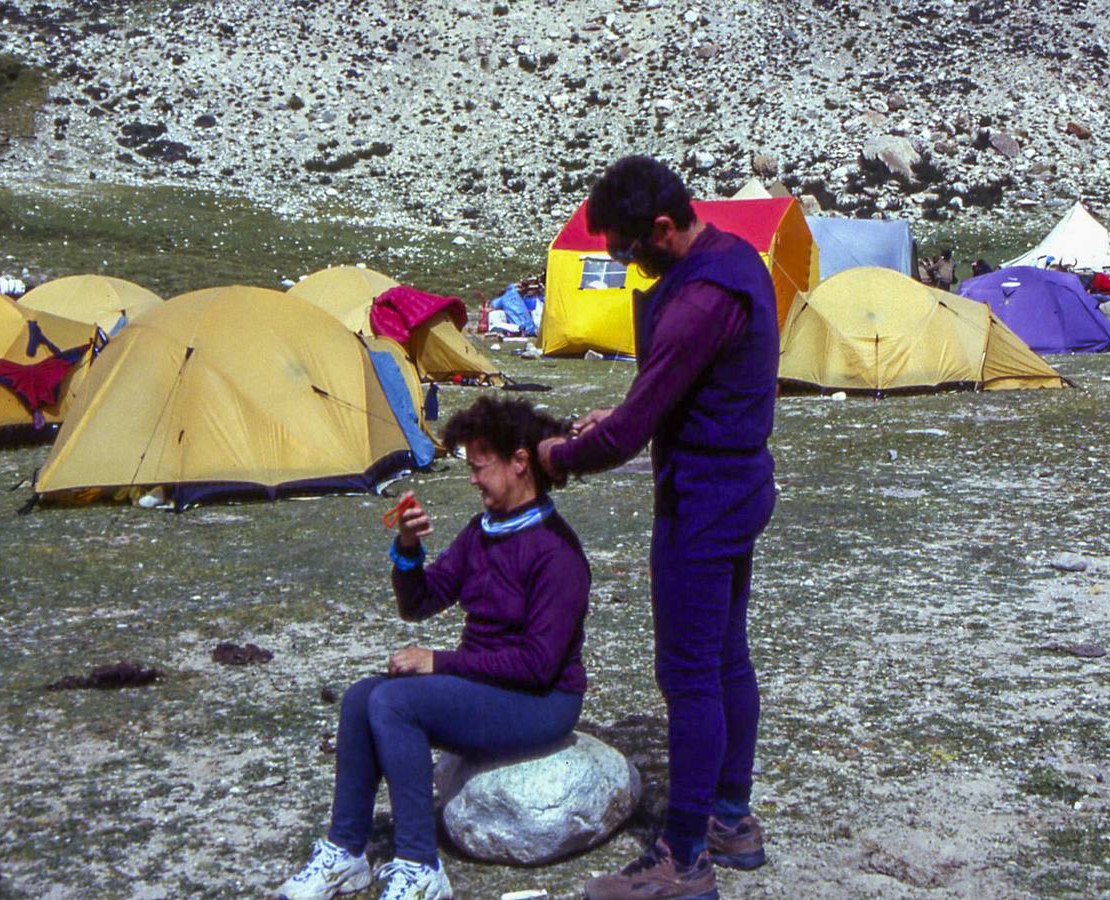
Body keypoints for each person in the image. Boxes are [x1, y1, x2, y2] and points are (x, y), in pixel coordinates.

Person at [537, 156, 777, 900]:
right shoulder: (735, 258)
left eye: (626, 249)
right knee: (725, 656)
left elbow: (627, 435)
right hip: (738, 485)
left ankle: (683, 857)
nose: (623, 262)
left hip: (703, 501)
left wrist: (555, 457)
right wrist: (627, 410)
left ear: (663, 227)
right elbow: (681, 390)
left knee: (688, 675)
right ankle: (730, 820)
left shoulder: (700, 296)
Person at [276, 396, 589, 900]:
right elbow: (419, 603)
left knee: (396, 702)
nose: (472, 479)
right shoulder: (480, 534)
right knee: (361, 697)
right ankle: (346, 852)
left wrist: (439, 662)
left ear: (520, 462)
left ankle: (420, 864)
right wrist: (407, 548)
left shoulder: (557, 552)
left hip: (544, 703)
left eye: (479, 466)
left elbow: (538, 665)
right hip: (490, 684)